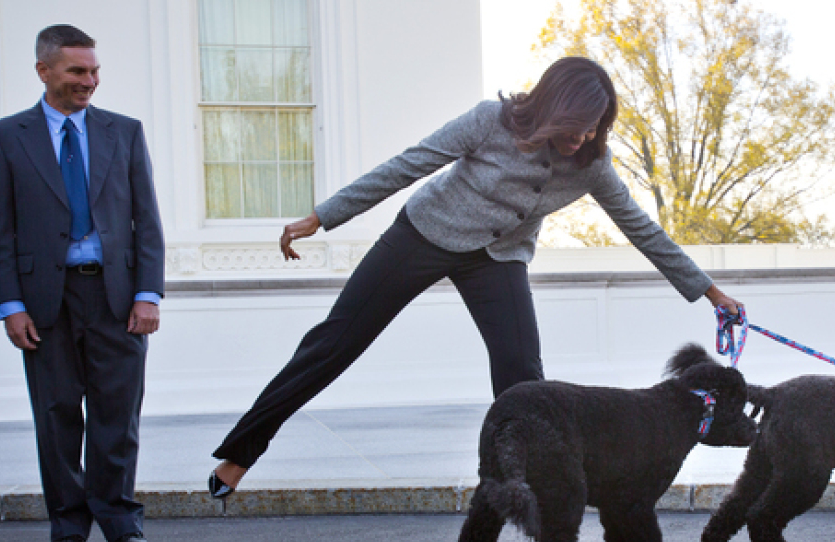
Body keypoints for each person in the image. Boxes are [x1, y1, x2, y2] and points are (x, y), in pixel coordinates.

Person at [207, 56, 743, 497]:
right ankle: (239, 453)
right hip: (424, 234)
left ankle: (530, 491)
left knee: (523, 375)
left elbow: (643, 230)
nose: (582, 137)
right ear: (552, 108)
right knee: (334, 344)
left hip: (499, 258)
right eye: (575, 125)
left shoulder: (593, 166)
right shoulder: (492, 121)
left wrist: (710, 292)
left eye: (593, 128)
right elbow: (408, 164)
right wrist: (322, 216)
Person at [0, 25, 166, 542]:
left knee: (117, 415)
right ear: (44, 71)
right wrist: (10, 305)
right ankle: (67, 530)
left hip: (116, 297)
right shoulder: (6, 137)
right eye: (77, 72)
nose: (90, 81)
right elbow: (1, 230)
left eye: (94, 71)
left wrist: (148, 294)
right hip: (46, 302)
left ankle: (121, 526)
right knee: (57, 415)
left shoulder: (124, 132)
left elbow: (146, 222)